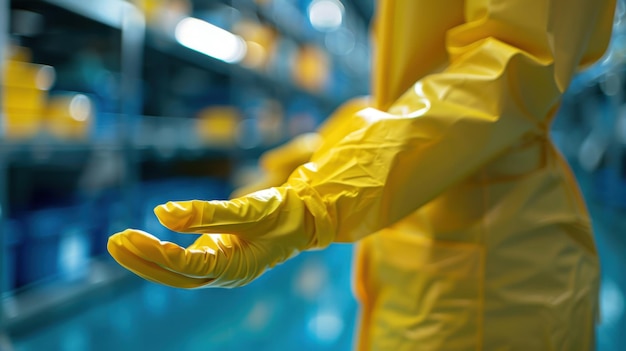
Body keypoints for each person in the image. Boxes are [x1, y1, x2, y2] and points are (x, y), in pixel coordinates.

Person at [108, 0, 618, 349]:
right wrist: (304, 167)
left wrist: (317, 197)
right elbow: (406, 98)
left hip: (500, 284)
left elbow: (508, 72)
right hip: (414, 266)